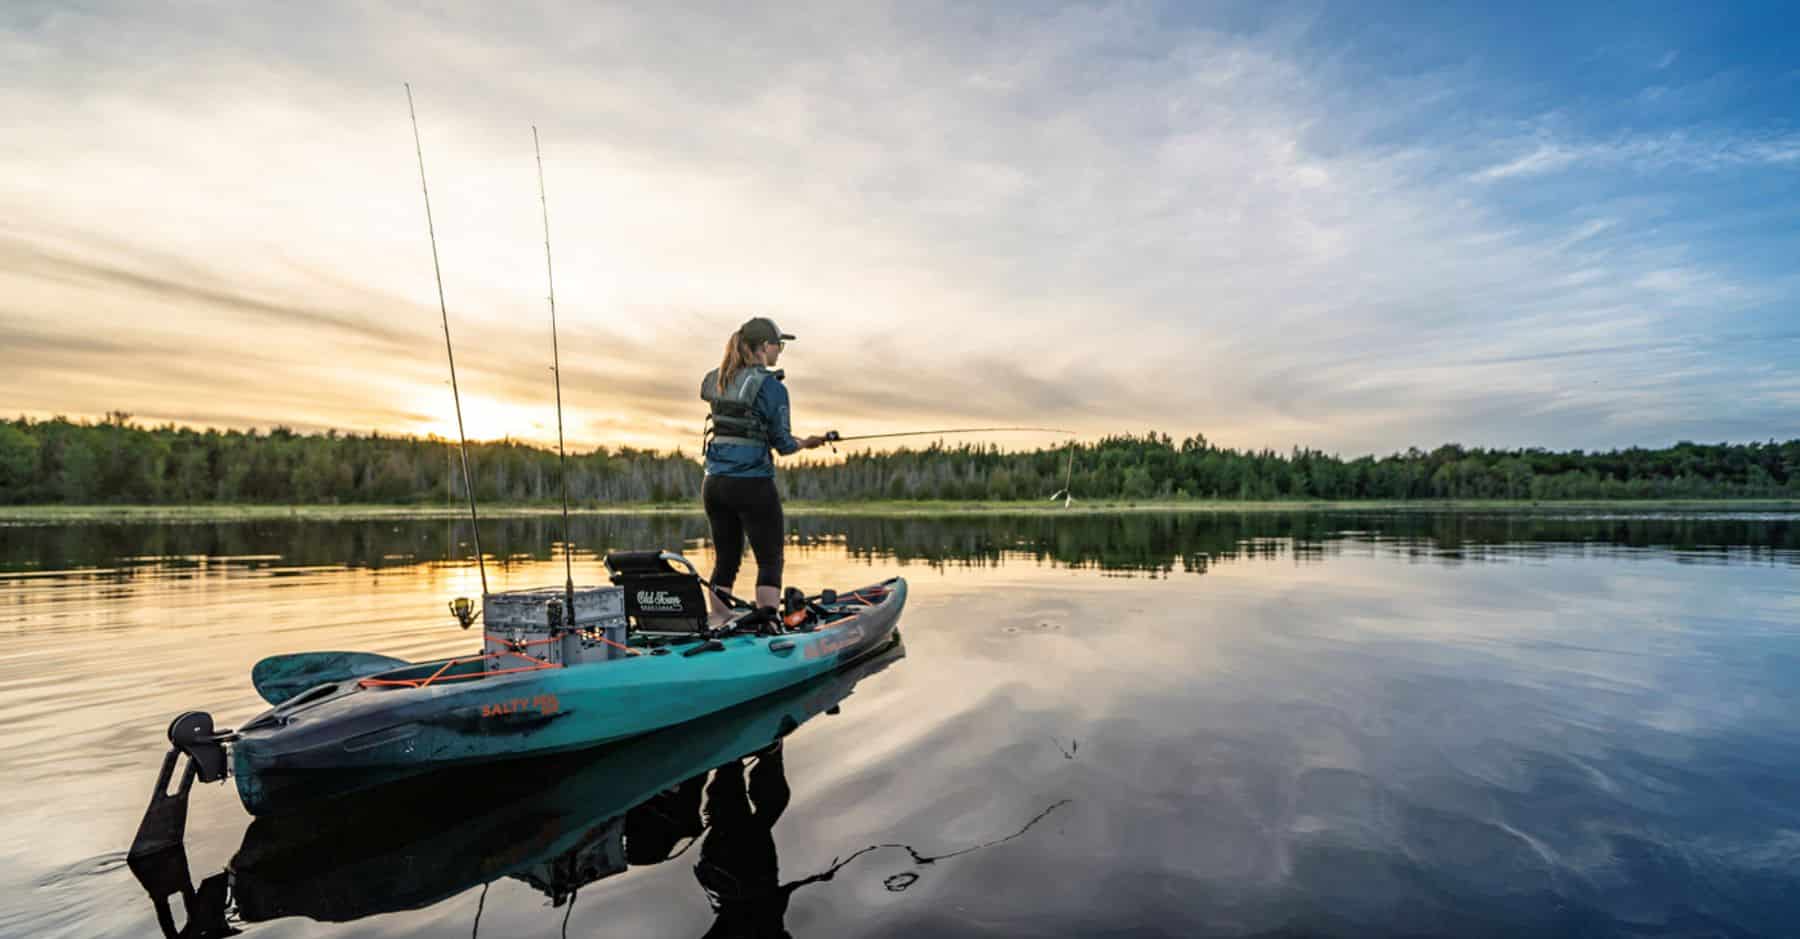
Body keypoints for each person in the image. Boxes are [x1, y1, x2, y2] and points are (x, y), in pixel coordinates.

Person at [699, 317, 827, 625]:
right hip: (752, 484)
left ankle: (718, 618)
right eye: (778, 345)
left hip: (714, 484)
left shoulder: (717, 379)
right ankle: (768, 622)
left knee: (726, 558)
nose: (779, 352)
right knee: (770, 559)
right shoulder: (772, 387)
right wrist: (806, 443)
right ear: (762, 348)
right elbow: (782, 444)